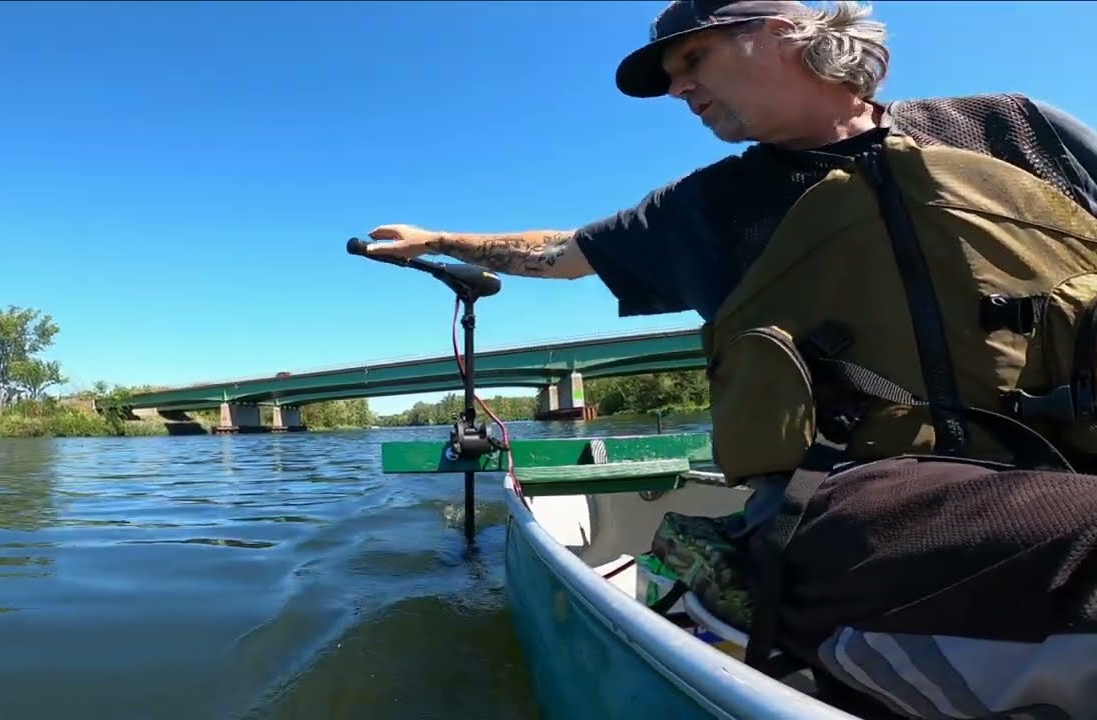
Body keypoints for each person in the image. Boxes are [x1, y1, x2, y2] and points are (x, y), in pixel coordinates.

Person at [360, 1, 1097, 718]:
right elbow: (561, 254)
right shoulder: (707, 209)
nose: (679, 88)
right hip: (845, 505)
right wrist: (442, 240)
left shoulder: (1017, 131)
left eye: (693, 59)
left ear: (783, 34)